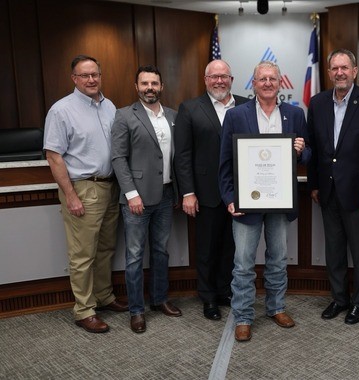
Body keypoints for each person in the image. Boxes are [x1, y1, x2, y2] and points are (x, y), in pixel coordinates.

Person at [218, 61, 311, 342]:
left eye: (273, 79)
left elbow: (308, 157)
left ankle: (276, 307)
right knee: (243, 262)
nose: (268, 83)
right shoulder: (236, 115)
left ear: (280, 83)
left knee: (278, 258)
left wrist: (302, 150)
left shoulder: (295, 114)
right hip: (247, 202)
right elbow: (225, 162)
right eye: (262, 79)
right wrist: (230, 198)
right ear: (254, 84)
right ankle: (244, 315)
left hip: (280, 201)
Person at [43, 55, 128, 333]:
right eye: (84, 75)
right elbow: (54, 157)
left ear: (101, 76)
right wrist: (70, 195)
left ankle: (103, 297)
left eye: (95, 74)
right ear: (74, 79)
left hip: (109, 186)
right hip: (83, 188)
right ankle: (83, 310)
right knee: (82, 254)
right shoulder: (61, 110)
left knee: (105, 249)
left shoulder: (109, 106)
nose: (91, 80)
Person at [307, 48, 359, 325]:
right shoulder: (317, 104)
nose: (339, 73)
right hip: (328, 192)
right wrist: (315, 185)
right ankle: (339, 299)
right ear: (329, 73)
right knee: (334, 249)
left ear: (355, 71)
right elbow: (315, 150)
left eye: (345, 68)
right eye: (335, 68)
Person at [174, 60, 248, 321]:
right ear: (205, 80)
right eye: (214, 77)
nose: (219, 81)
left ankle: (225, 291)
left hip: (240, 191)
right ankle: (208, 298)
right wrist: (188, 192)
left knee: (232, 247)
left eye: (224, 76)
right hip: (204, 193)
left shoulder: (245, 104)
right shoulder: (190, 108)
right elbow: (182, 155)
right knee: (206, 248)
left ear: (232, 79)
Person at [111, 65, 182, 333]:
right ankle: (136, 310)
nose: (149, 88)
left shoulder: (173, 116)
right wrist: (131, 194)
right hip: (136, 199)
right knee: (134, 256)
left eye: (154, 83)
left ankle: (160, 299)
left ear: (161, 86)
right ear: (136, 87)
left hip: (166, 195)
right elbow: (118, 158)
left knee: (161, 252)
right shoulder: (124, 116)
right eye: (144, 84)